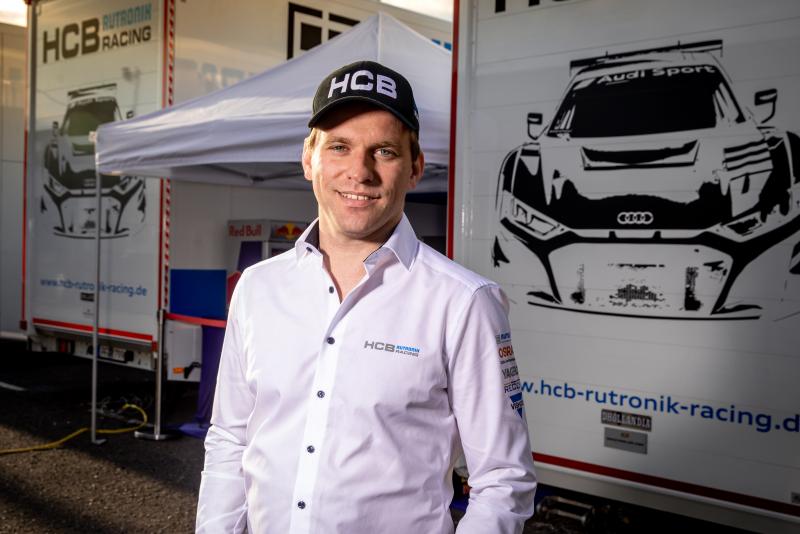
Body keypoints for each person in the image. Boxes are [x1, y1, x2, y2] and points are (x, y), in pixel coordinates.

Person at [196, 60, 537, 534]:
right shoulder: (257, 287)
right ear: (309, 158)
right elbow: (230, 439)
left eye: (384, 151)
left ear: (415, 168)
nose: (360, 172)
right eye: (339, 147)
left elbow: (503, 480)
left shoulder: (464, 303)